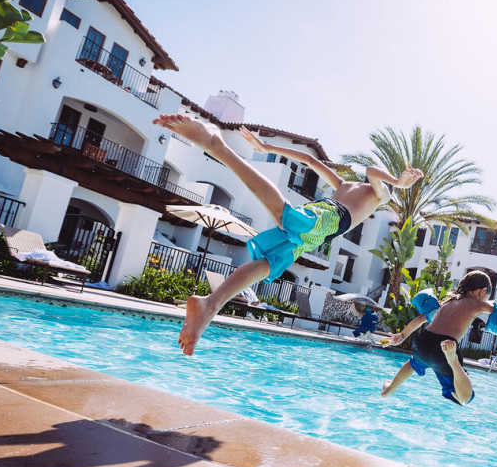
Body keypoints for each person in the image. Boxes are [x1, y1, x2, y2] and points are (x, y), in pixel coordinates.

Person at [153, 114, 423, 355]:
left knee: (269, 263)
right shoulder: (381, 195)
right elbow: (372, 172)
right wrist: (397, 183)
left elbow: (308, 159)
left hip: (320, 226)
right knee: (285, 217)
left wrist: (267, 147)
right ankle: (217, 146)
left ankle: (210, 304)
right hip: (330, 219)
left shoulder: (343, 184)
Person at [380, 271, 497, 405]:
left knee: (414, 363)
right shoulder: (476, 304)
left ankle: (388, 390)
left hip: (423, 341)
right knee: (465, 398)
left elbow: (421, 319)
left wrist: (402, 336)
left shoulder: (448, 301)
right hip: (443, 349)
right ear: (482, 291)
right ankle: (453, 361)